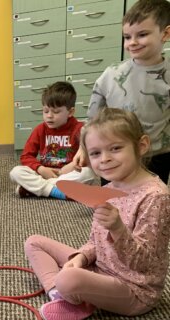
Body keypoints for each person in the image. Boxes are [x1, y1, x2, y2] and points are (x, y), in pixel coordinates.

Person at [25, 108, 170, 320]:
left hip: (134, 288)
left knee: (67, 279)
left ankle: (73, 294)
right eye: (95, 153)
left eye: (116, 148)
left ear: (141, 146)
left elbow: (144, 264)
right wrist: (82, 257)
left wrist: (118, 229)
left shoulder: (156, 197)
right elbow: (96, 241)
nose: (105, 159)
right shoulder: (109, 188)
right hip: (101, 267)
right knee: (34, 242)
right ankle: (59, 293)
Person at [76, 0, 170, 184]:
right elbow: (93, 119)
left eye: (142, 34)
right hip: (111, 153)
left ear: (165, 33)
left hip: (156, 155)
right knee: (112, 198)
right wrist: (83, 148)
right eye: (127, 37)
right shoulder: (111, 75)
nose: (132, 42)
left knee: (152, 198)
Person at [10, 81, 96, 199]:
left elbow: (88, 156)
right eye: (45, 111)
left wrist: (71, 166)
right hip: (45, 172)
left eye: (56, 112)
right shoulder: (40, 129)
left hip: (67, 173)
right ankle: (57, 191)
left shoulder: (80, 129)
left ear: (70, 112)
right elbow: (26, 156)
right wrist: (41, 169)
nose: (49, 116)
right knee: (16, 172)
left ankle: (35, 188)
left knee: (88, 174)